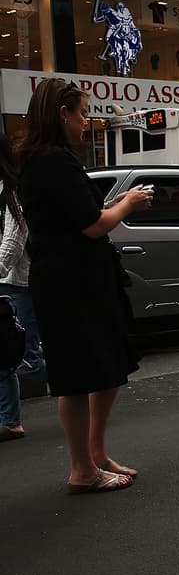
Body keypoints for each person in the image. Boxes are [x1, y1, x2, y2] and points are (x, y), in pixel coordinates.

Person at [17, 78, 153, 491]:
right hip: (71, 282)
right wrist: (126, 204)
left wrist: (108, 206)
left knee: (105, 364)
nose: (84, 122)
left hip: (73, 278)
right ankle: (83, 468)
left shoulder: (42, 160)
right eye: (81, 113)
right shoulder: (54, 161)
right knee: (78, 373)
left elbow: (80, 215)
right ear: (62, 113)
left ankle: (94, 456)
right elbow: (92, 226)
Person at [1, 135, 43, 441]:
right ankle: (10, 420)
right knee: (8, 357)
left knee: (26, 358)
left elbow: (13, 243)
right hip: (9, 283)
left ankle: (83, 382)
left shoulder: (13, 192)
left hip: (19, 285)